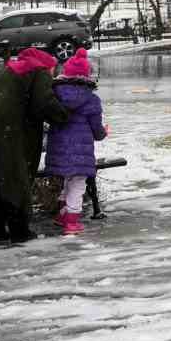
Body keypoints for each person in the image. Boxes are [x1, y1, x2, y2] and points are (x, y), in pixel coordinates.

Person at [0, 46, 69, 245]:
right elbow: (43, 103)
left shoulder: (10, 69)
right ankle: (20, 231)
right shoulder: (40, 70)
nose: (53, 76)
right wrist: (65, 116)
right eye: (54, 71)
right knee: (12, 174)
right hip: (1, 124)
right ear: (49, 65)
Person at [45, 47, 110, 236]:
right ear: (87, 76)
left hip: (59, 149)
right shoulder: (91, 100)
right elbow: (96, 129)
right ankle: (71, 222)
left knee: (67, 181)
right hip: (81, 151)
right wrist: (103, 133)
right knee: (78, 184)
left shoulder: (55, 94)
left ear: (65, 73)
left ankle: (62, 214)